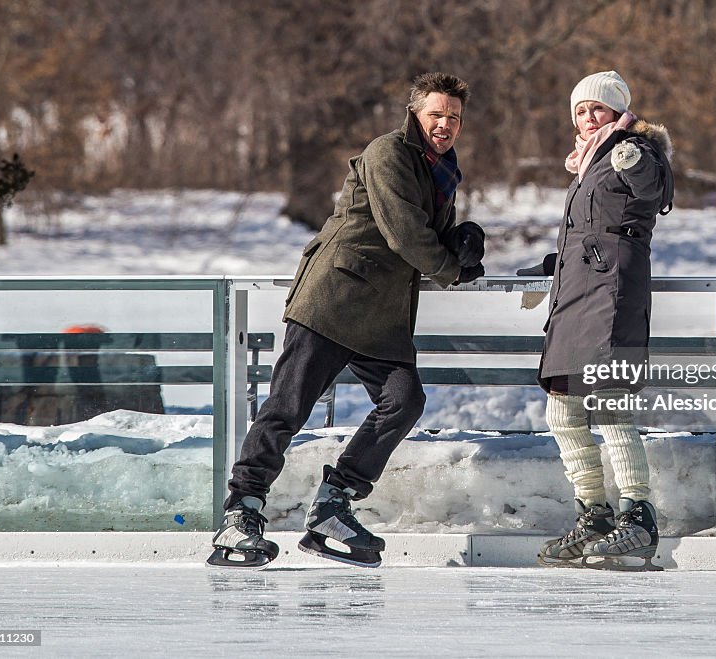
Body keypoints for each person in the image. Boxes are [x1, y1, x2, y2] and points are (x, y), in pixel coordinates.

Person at [209, 72, 485, 569]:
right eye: (436, 115)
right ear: (415, 114)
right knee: (288, 408)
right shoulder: (390, 154)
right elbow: (403, 231)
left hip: (382, 315)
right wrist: (451, 267)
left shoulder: (442, 171)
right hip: (333, 299)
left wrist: (462, 242)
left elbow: (426, 236)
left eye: (454, 118)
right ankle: (241, 512)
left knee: (403, 401)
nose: (445, 125)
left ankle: (334, 503)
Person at [518, 69, 674, 570]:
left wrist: (632, 157)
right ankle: (595, 513)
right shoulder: (588, 161)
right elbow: (589, 228)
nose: (588, 117)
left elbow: (653, 191)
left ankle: (638, 515)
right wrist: (553, 265)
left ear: (618, 111)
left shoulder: (634, 150)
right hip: (577, 293)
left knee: (609, 405)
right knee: (561, 409)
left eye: (598, 109)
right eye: (581, 110)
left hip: (611, 296)